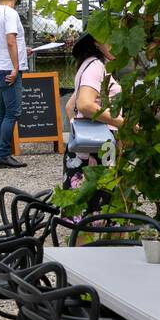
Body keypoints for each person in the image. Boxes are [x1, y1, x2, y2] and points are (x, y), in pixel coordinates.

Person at [63, 31, 123, 204]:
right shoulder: (96, 66)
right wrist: (120, 123)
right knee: (101, 207)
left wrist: (82, 132)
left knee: (86, 209)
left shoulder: (88, 65)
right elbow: (84, 105)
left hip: (89, 148)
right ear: (97, 41)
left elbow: (70, 107)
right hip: (98, 150)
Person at [0, 0, 28, 169]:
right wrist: (15, 66)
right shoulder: (10, 13)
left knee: (2, 113)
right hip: (8, 68)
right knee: (13, 112)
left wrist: (21, 52)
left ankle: (0, 153)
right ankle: (4, 154)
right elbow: (10, 39)